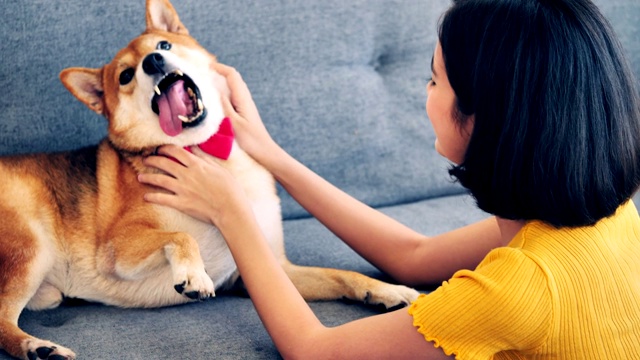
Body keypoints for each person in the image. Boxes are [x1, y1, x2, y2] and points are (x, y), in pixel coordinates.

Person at [137, 0, 640, 358]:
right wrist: (273, 157)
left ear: (486, 120)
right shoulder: (605, 216)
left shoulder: (516, 291)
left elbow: (316, 351)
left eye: (434, 78)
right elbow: (413, 258)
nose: (424, 88)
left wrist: (230, 211)